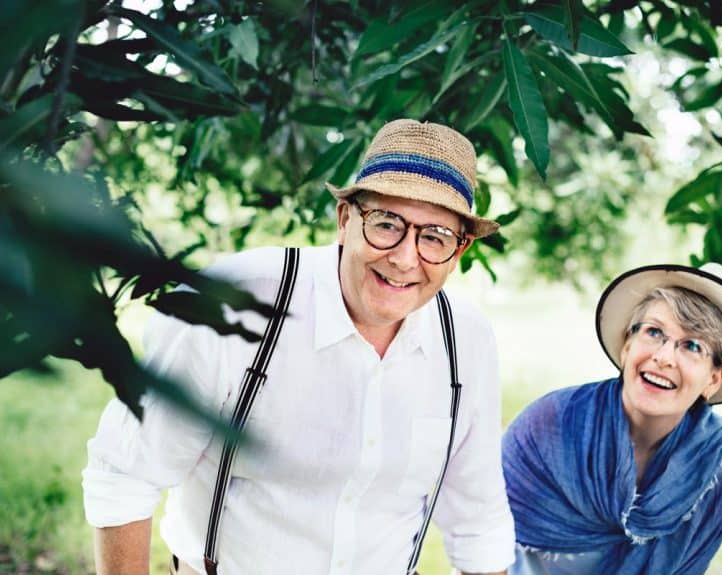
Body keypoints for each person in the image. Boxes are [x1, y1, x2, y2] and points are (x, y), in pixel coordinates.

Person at [82, 119, 515, 575]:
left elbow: (478, 522)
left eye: (434, 237)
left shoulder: (466, 341)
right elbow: (126, 475)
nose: (406, 258)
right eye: (387, 224)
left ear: (460, 250)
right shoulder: (235, 303)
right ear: (345, 220)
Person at [502, 263, 722, 575]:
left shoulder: (713, 473)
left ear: (714, 378)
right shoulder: (548, 425)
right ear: (627, 346)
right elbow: (482, 541)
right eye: (654, 332)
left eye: (692, 346)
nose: (664, 357)